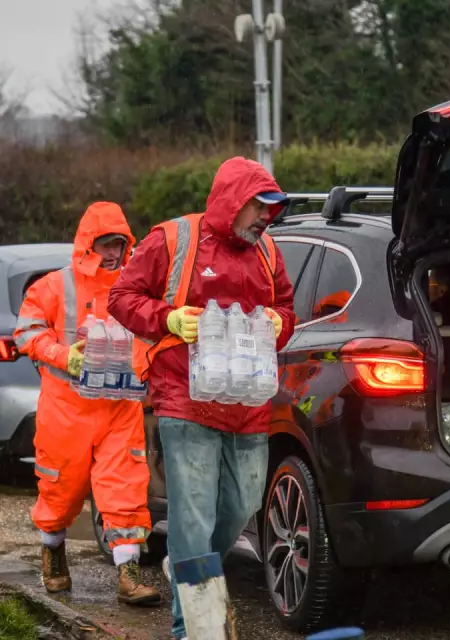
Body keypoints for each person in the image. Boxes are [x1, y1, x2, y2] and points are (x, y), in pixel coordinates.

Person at [107, 156, 296, 640]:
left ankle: (186, 567)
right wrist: (168, 318)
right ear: (235, 200)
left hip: (248, 402)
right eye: (260, 207)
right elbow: (122, 297)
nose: (266, 218)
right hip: (183, 397)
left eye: (273, 210)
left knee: (239, 507)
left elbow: (286, 309)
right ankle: (192, 626)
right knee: (193, 514)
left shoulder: (269, 252)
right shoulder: (174, 239)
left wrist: (280, 324)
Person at [13, 202, 161, 606]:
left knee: (126, 488)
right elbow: (27, 334)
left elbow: (153, 334)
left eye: (119, 244)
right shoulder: (53, 286)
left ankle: (129, 574)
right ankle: (53, 550)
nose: (113, 253)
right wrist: (66, 356)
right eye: (105, 244)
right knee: (61, 489)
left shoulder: (135, 287)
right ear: (87, 245)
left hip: (119, 407)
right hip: (66, 410)